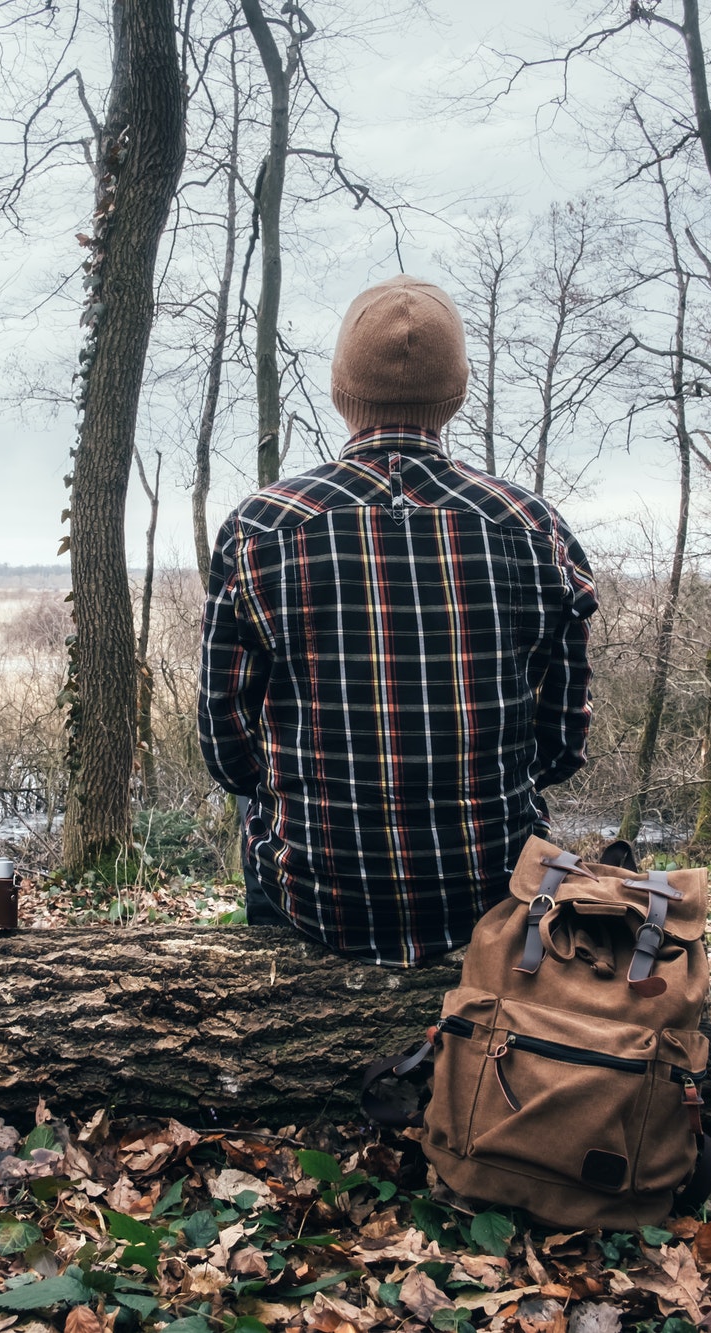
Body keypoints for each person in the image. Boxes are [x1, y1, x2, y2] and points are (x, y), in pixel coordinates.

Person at [198, 275, 599, 967]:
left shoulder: (259, 526)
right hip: (489, 895)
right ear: (456, 393)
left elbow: (225, 748)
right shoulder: (538, 529)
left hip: (312, 898)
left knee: (261, 799)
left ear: (342, 391)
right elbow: (561, 745)